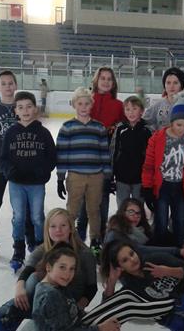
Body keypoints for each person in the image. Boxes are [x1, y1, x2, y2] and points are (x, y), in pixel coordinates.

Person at [32, 246, 175, 331]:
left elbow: (75, 315)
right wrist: (100, 328)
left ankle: (171, 316)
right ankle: (176, 305)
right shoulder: (50, 296)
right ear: (48, 267)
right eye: (62, 267)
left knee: (126, 295)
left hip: (78, 327)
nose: (67, 273)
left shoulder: (55, 284)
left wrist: (101, 316)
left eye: (71, 269)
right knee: (127, 309)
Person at [0, 70, 35, 257]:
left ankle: (30, 237)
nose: (8, 86)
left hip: (21, 165)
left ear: (16, 85)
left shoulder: (23, 107)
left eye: (11, 83)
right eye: (3, 83)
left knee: (24, 205)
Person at [0, 91, 56, 271]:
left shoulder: (44, 133)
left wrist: (42, 172)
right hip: (16, 184)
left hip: (36, 184)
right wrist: (10, 172)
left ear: (35, 109)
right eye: (21, 107)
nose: (25, 111)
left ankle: (40, 249)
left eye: (29, 106)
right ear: (15, 110)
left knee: (37, 218)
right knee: (18, 217)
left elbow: (52, 157)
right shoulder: (11, 132)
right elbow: (3, 158)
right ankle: (18, 250)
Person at [57, 87, 111, 256]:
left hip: (96, 176)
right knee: (72, 211)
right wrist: (60, 178)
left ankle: (95, 241)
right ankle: (69, 239)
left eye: (87, 104)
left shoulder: (99, 128)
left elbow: (105, 153)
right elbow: (61, 154)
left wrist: (107, 176)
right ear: (74, 105)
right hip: (75, 176)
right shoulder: (67, 127)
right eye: (80, 103)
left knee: (94, 210)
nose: (83, 107)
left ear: (91, 105)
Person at [142, 94, 184, 248]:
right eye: (179, 124)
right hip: (162, 187)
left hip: (180, 187)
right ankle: (160, 251)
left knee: (180, 221)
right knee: (161, 221)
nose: (182, 129)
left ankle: (178, 250)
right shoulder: (157, 138)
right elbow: (148, 165)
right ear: (172, 121)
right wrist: (147, 188)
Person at [76, 67, 124, 242]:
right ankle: (80, 237)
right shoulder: (88, 101)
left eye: (109, 79)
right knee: (84, 200)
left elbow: (122, 129)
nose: (105, 81)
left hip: (106, 160)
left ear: (113, 83)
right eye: (102, 78)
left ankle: (99, 239)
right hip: (86, 158)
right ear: (96, 80)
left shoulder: (118, 105)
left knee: (102, 200)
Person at [104, 198, 184, 260]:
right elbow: (140, 250)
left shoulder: (140, 230)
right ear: (122, 213)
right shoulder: (116, 232)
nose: (135, 216)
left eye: (138, 213)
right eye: (131, 212)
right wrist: (177, 251)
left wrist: (181, 246)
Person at [110, 96, 151, 207]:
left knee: (138, 207)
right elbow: (113, 151)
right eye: (127, 109)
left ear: (141, 111)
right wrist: (111, 175)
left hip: (140, 178)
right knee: (122, 207)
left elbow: (150, 155)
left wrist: (149, 177)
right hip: (122, 177)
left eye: (134, 109)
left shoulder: (147, 130)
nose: (131, 112)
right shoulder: (120, 128)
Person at [143, 67, 184, 131]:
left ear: (181, 86)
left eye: (175, 83)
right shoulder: (158, 105)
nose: (171, 86)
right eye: (168, 83)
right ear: (164, 85)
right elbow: (144, 122)